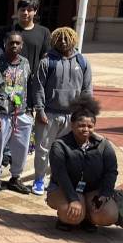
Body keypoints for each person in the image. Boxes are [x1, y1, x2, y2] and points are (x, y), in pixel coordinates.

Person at [29, 27, 93, 196]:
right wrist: (40, 110)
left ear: (73, 39)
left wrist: (84, 112)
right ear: (54, 40)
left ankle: (56, 180)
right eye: (59, 39)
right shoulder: (47, 61)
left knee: (66, 151)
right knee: (43, 149)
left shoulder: (82, 62)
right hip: (49, 114)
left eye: (67, 38)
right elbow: (38, 87)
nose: (63, 42)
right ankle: (39, 179)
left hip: (72, 116)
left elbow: (87, 89)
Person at [46, 96, 119, 232]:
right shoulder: (60, 146)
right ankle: (66, 217)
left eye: (90, 126)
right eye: (81, 125)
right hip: (64, 189)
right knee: (73, 213)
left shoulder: (103, 145)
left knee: (110, 215)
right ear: (72, 125)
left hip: (92, 190)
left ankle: (89, 218)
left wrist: (105, 194)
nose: (85, 129)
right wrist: (73, 199)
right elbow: (60, 175)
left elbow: (111, 172)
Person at [0, 31, 35, 195]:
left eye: (17, 43)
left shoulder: (25, 63)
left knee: (21, 147)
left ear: (22, 45)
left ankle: (15, 177)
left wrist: (29, 111)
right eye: (11, 42)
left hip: (21, 114)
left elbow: (29, 87)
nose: (14, 46)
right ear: (5, 44)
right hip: (2, 115)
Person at [0, 0, 52, 74]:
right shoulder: (7, 31)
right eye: (22, 10)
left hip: (33, 78)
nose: (25, 13)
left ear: (35, 11)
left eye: (29, 10)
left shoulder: (44, 32)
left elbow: (46, 56)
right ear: (17, 11)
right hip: (8, 77)